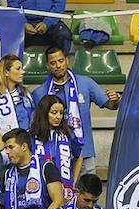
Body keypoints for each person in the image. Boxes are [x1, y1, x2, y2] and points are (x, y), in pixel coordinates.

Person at [33, 46, 119, 174]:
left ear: (67, 60)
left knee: (87, 193)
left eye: (60, 61)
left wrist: (115, 99)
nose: (58, 65)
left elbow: (110, 106)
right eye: (53, 63)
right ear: (47, 66)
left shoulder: (85, 83)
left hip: (84, 152)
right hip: (55, 154)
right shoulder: (40, 93)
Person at [30, 94, 83, 200]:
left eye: (61, 113)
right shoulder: (31, 135)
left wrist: (74, 180)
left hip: (65, 190)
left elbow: (79, 156)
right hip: (40, 190)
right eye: (54, 113)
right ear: (44, 113)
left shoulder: (69, 133)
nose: (58, 116)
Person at [0, 53, 35, 134]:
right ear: (6, 72)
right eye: (18, 69)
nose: (23, 72)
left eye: (22, 68)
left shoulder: (26, 95)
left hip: (25, 142)